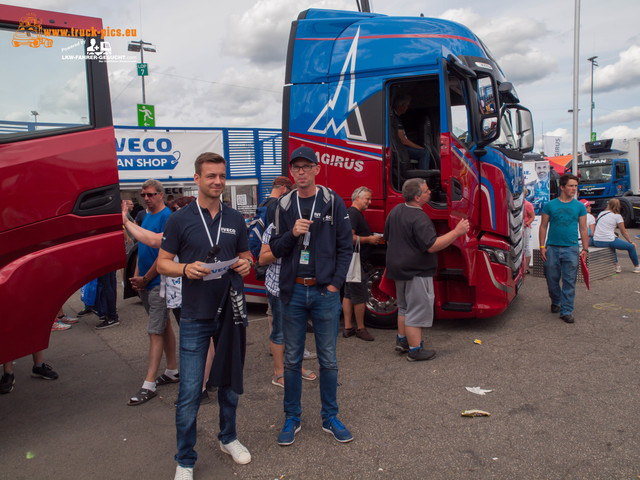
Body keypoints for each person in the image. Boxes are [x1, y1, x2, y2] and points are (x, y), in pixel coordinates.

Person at [157, 152, 254, 479]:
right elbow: (162, 263)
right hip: (196, 315)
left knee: (229, 383)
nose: (217, 181)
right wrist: (185, 268)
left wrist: (246, 263)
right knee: (189, 391)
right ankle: (185, 458)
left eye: (221, 176)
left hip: (230, 312)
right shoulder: (179, 219)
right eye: (210, 176)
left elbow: (246, 256)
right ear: (196, 179)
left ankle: (228, 438)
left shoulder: (236, 218)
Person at [269, 146, 353, 446]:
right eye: (296, 167)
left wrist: (335, 285)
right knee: (292, 360)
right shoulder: (283, 205)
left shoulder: (333, 202)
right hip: (292, 292)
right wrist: (292, 233)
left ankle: (330, 417)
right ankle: (292, 417)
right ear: (291, 172)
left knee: (328, 360)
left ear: (317, 169)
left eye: (306, 166)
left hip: (323, 292)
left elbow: (346, 247)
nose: (301, 172)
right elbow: (275, 249)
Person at [384, 178, 469, 361]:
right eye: (426, 190)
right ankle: (415, 351)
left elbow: (388, 239)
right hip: (416, 272)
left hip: (397, 269)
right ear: (417, 197)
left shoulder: (395, 211)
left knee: (404, 307)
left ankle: (402, 341)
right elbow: (432, 246)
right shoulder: (420, 217)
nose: (430, 192)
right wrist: (457, 232)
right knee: (417, 309)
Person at [127, 179, 178, 406]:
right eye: (143, 195)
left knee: (155, 331)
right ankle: (172, 370)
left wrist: (146, 278)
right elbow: (142, 247)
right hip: (147, 282)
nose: (146, 198)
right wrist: (139, 277)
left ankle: (148, 384)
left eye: (150, 194)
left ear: (160, 195)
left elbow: (163, 254)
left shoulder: (167, 217)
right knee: (163, 326)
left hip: (159, 282)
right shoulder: (146, 216)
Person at [260, 222, 317, 388]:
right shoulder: (275, 226)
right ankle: (278, 373)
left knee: (297, 331)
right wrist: (285, 244)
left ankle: (296, 366)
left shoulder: (310, 224)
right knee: (279, 331)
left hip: (301, 287)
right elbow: (263, 258)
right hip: (278, 287)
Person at [539, 174, 589, 324]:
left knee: (569, 281)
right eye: (571, 186)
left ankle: (566, 310)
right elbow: (543, 226)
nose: (574, 189)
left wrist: (585, 249)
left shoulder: (579, 206)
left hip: (571, 248)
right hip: (552, 248)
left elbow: (584, 228)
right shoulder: (550, 205)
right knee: (551, 278)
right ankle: (556, 300)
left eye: (575, 186)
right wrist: (542, 246)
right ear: (562, 187)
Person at [342, 186, 382, 341]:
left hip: (350, 260)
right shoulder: (353, 214)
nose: (370, 202)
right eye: (367, 199)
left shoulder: (351, 213)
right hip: (355, 261)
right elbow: (348, 238)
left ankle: (347, 328)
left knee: (348, 294)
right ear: (357, 197)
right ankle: (360, 328)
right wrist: (369, 240)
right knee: (359, 295)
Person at [592, 198, 640, 274]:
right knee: (631, 247)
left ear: (609, 205)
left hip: (597, 240)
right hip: (608, 239)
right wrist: (631, 242)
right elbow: (623, 231)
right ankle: (637, 266)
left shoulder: (601, 213)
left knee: (613, 242)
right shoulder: (617, 216)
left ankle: (617, 266)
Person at [391, 95, 431, 171]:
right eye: (407, 105)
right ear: (402, 105)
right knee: (424, 153)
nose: (407, 108)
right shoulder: (394, 119)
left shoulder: (397, 117)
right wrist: (420, 148)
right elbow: (403, 140)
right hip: (400, 148)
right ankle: (423, 176)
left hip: (401, 147)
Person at [524, 190, 535, 274]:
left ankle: (526, 267)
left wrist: (526, 224)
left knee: (526, 246)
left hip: (525, 228)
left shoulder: (528, 204)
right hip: (515, 228)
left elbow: (532, 217)